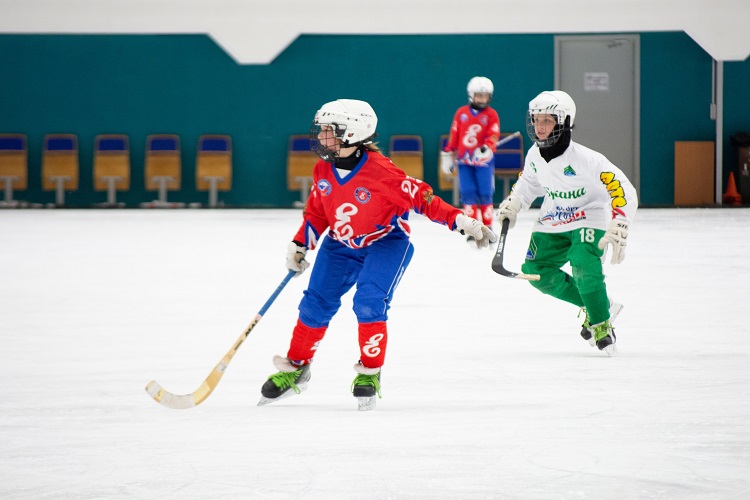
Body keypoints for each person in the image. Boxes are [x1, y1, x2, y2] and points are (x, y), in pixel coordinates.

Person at [259, 99, 497, 410]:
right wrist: (300, 243)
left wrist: (462, 221)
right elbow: (318, 212)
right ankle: (297, 368)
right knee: (315, 303)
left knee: (369, 301)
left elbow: (423, 198)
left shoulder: (381, 172)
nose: (321, 137)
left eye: (329, 132)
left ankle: (370, 372)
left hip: (386, 242)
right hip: (340, 244)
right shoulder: (323, 168)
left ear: (351, 134)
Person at [496, 90, 638, 355]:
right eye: (536, 120)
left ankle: (601, 324)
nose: (539, 127)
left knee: (585, 267)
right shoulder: (534, 156)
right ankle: (601, 304)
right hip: (552, 219)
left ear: (564, 122)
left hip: (588, 216)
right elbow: (528, 183)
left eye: (547, 120)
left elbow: (622, 187)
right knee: (536, 272)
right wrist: (514, 203)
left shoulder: (587, 160)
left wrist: (620, 221)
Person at [441, 76, 501, 237]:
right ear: (471, 95)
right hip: (464, 160)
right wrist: (448, 152)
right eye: (479, 95)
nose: (482, 99)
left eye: (485, 95)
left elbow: (494, 134)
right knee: (468, 193)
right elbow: (455, 134)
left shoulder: (491, 115)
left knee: (485, 193)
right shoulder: (461, 113)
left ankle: (488, 227)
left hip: (483, 162)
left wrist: (487, 147)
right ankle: (473, 229)